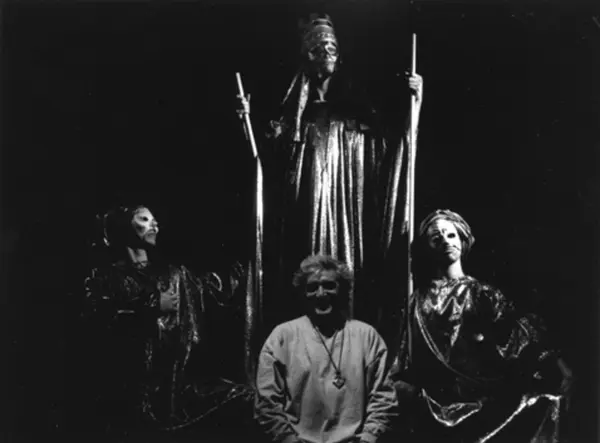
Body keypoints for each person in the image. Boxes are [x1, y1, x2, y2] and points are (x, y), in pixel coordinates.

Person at [237, 13, 423, 332]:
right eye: (317, 49)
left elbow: (393, 156)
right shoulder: (293, 122)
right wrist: (246, 123)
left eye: (331, 48)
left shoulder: (357, 120)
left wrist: (414, 104)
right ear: (305, 57)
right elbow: (264, 166)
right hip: (305, 218)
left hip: (349, 221)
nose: (325, 54)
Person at [391, 209, 574, 442]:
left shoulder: (480, 293)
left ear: (462, 240)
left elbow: (517, 337)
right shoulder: (416, 301)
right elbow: (404, 356)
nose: (445, 241)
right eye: (436, 238)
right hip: (431, 402)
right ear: (427, 248)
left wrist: (558, 364)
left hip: (479, 401)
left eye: (451, 235)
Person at [81, 204, 248, 440]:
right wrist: (152, 305)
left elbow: (213, 289)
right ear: (124, 226)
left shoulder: (175, 275)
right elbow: (97, 318)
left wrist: (246, 268)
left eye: (154, 219)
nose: (154, 224)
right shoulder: (107, 278)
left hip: (175, 391)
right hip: (129, 396)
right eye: (144, 219)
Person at [255, 255, 398, 443]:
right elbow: (266, 402)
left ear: (343, 291)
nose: (321, 294)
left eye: (329, 286)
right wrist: (288, 439)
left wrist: (368, 438)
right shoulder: (282, 336)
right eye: (312, 288)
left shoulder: (367, 336)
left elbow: (384, 399)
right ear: (303, 294)